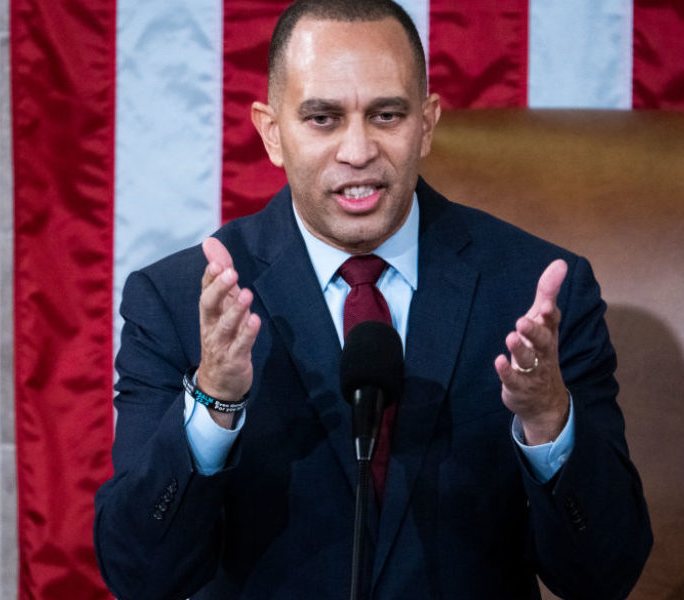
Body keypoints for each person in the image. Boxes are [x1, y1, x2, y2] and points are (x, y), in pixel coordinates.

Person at [94, 1, 651, 598]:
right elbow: (140, 575)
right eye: (323, 119)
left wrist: (547, 421)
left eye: (386, 114)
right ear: (271, 133)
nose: (357, 151)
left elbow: (604, 575)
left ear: (428, 123)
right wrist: (214, 404)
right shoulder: (178, 301)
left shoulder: (534, 295)